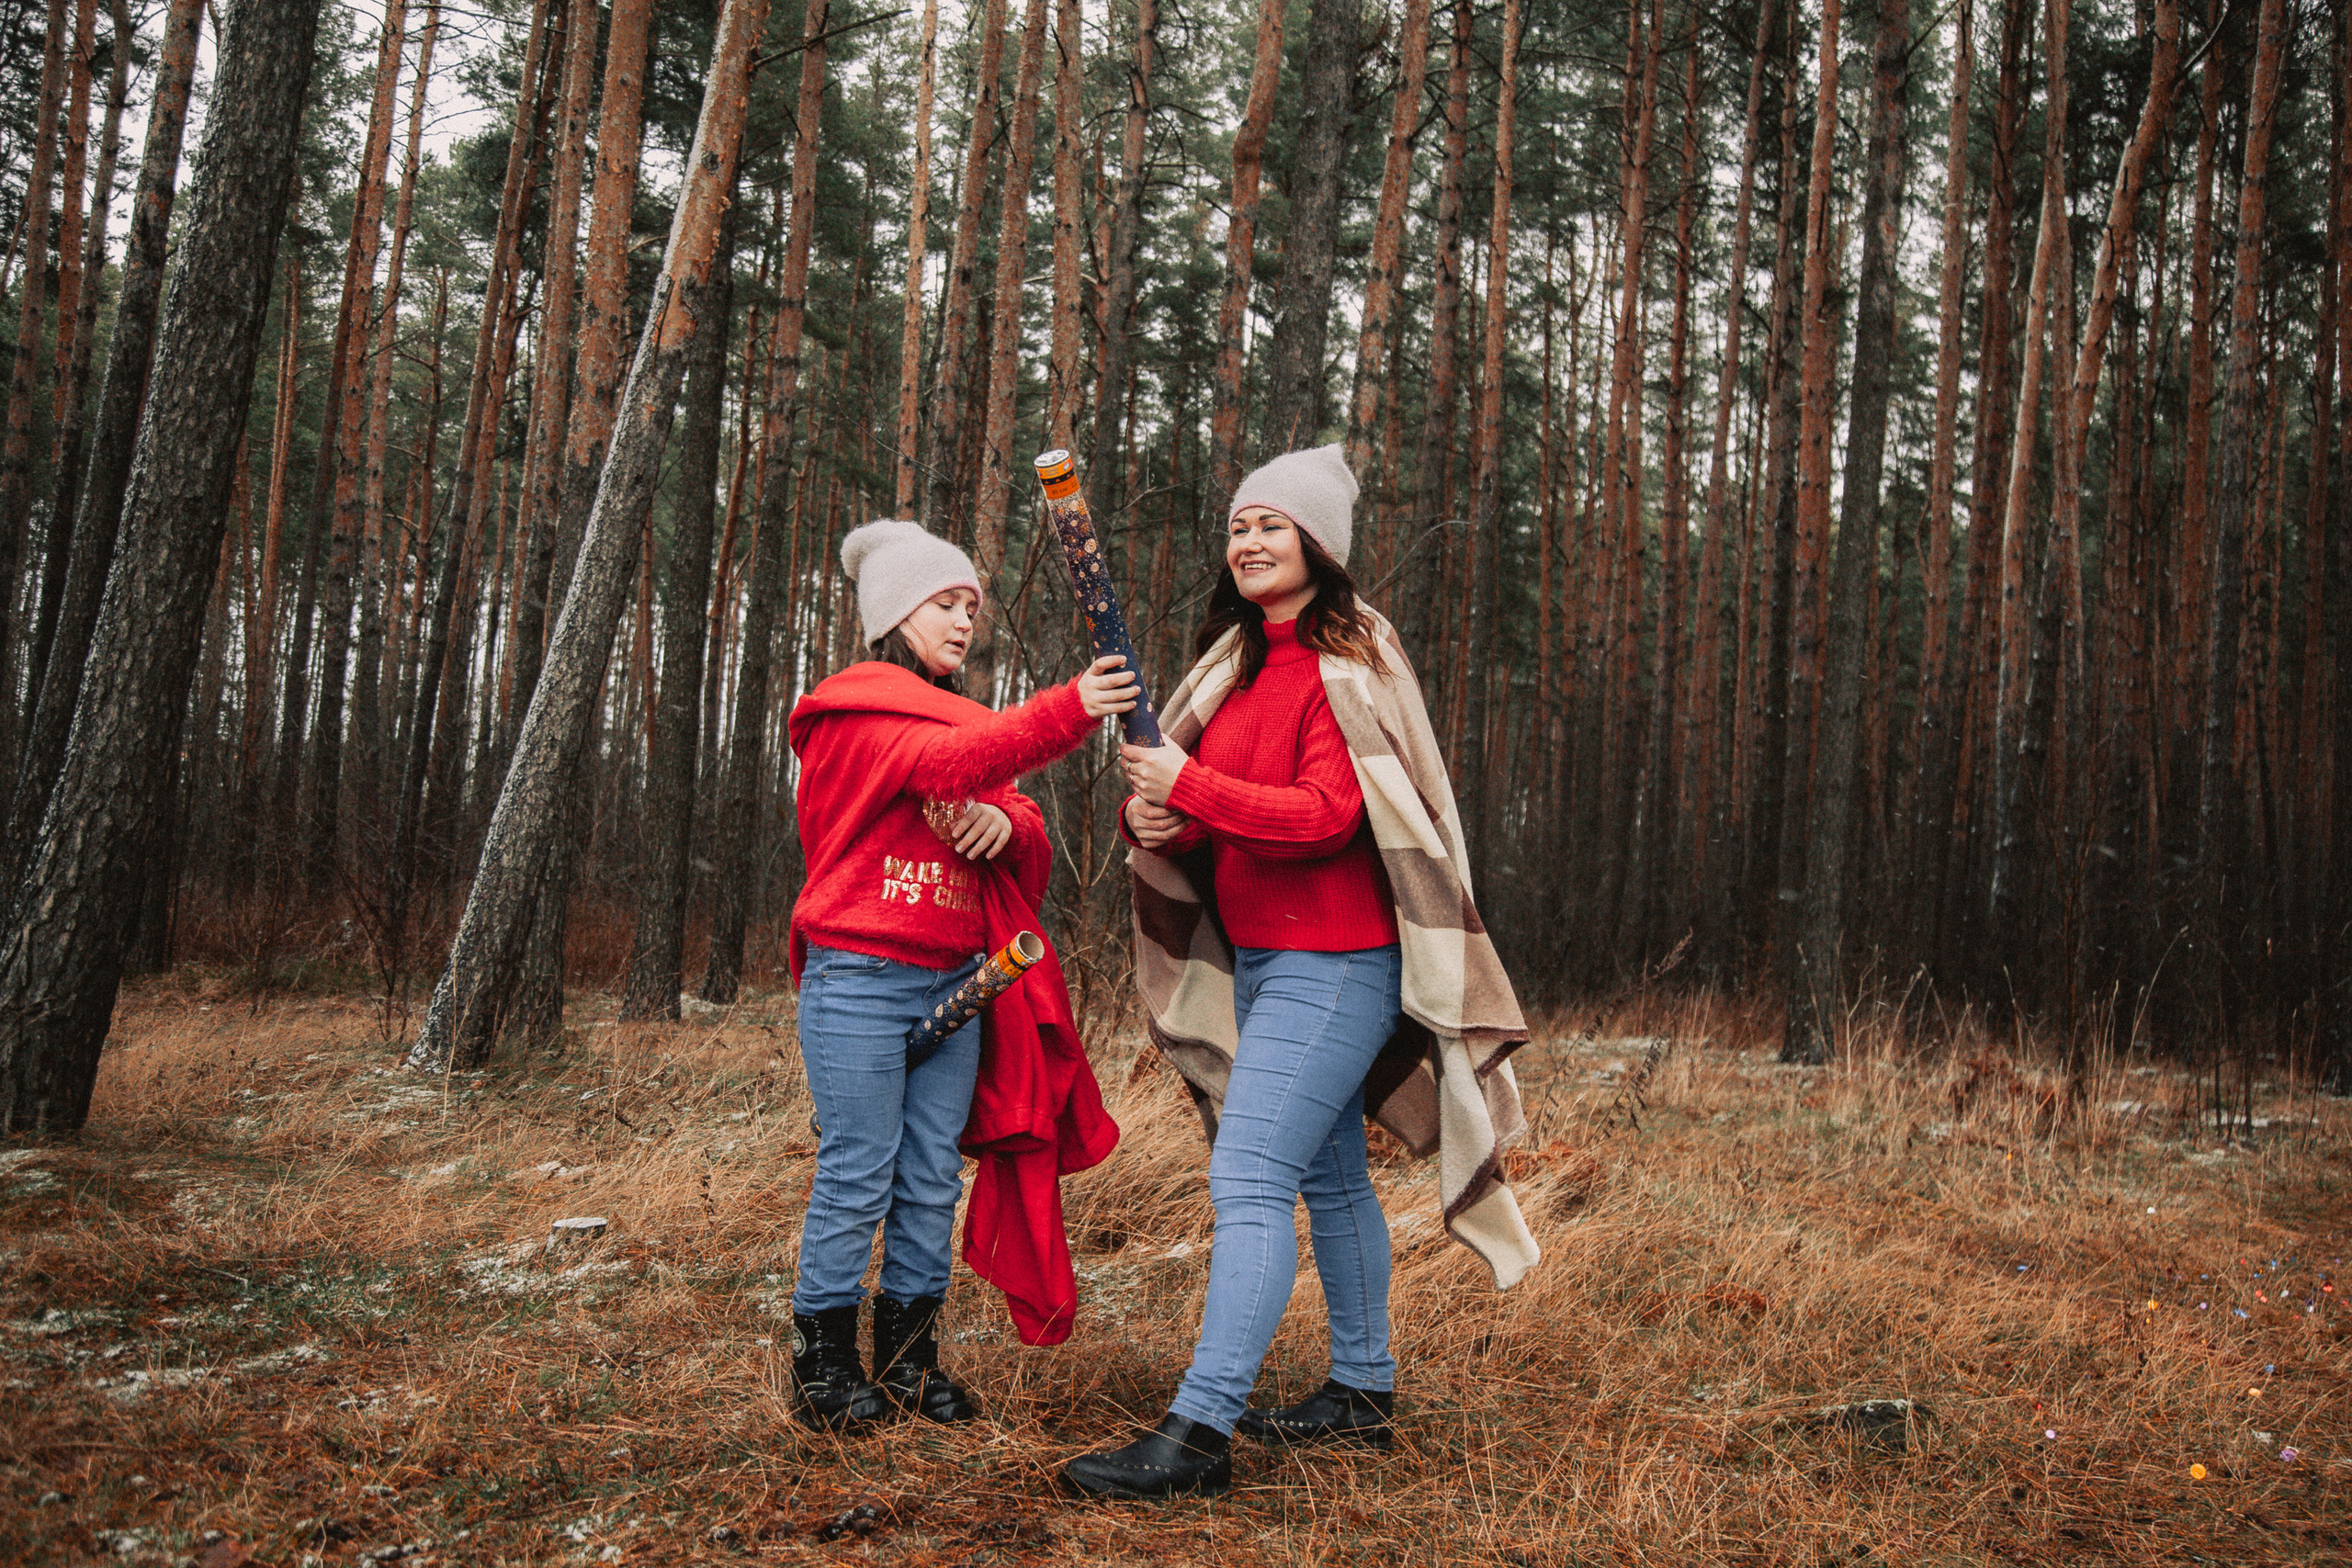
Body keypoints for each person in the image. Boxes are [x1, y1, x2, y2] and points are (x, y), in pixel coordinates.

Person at [1062, 446, 1538, 1499]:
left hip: (1341, 962)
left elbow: (1328, 818)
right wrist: (1163, 817)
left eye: (1271, 525)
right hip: (1268, 962)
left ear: (1318, 543)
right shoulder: (1232, 666)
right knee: (1326, 1178)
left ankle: (1199, 1431)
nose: (1247, 542)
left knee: (1247, 1178)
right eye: (1236, 527)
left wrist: (1194, 785)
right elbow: (1218, 818)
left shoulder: (1352, 662)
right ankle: (1362, 1391)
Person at [784, 518, 1136, 1430]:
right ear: (897, 610)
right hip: (859, 974)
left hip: (957, 978)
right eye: (945, 603)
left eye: (971, 607)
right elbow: (948, 764)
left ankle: (907, 1361)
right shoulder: (850, 714)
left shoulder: (965, 715)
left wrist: (1005, 830)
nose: (963, 621)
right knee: (860, 1167)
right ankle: (823, 1367)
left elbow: (1015, 810)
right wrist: (1070, 707)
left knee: (931, 1171)